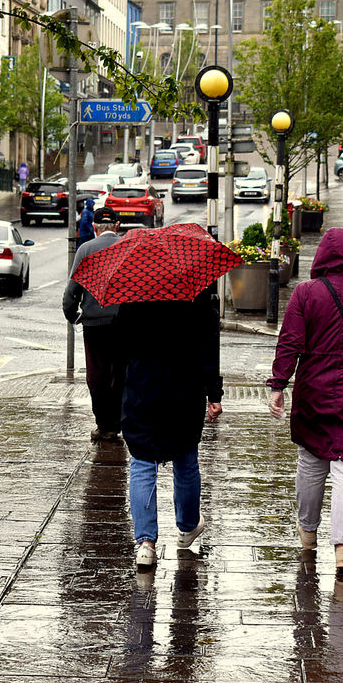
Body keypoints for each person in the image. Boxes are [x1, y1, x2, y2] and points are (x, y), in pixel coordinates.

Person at [266, 228, 343, 577]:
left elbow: (289, 341)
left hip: (314, 392)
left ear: (321, 254)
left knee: (311, 461)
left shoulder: (306, 293)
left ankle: (308, 534)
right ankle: (342, 549)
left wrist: (278, 383)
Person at [118, 290, 223, 571]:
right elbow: (208, 349)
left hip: (142, 390)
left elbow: (120, 345)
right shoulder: (198, 297)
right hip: (184, 392)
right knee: (185, 457)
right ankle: (188, 526)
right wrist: (214, 394)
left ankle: (146, 545)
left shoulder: (134, 295)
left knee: (142, 461)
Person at [62, 211, 125, 443]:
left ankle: (104, 425)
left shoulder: (86, 250)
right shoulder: (127, 247)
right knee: (120, 372)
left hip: (94, 323)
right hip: (123, 323)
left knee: (97, 374)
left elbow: (71, 292)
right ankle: (117, 421)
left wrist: (73, 315)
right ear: (116, 225)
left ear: (94, 226)